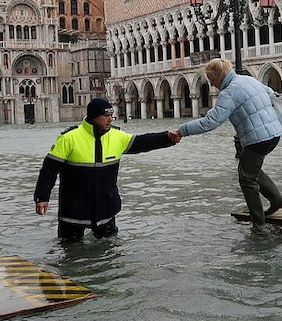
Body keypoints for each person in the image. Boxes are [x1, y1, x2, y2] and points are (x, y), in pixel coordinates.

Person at [35, 97, 179, 242]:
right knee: (70, 253)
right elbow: (49, 170)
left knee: (110, 253)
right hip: (74, 210)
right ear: (93, 117)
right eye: (106, 116)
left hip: (106, 209)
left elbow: (143, 142)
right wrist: (42, 197)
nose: (110, 119)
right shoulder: (69, 138)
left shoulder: (117, 136)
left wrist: (167, 138)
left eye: (111, 115)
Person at [171, 58, 282, 234]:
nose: (213, 85)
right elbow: (271, 92)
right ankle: (277, 200)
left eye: (212, 80)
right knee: (250, 168)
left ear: (219, 75)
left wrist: (182, 130)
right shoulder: (247, 79)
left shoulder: (229, 92)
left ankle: (259, 225)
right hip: (274, 133)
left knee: (246, 179)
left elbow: (210, 122)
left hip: (258, 138)